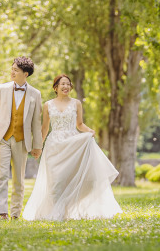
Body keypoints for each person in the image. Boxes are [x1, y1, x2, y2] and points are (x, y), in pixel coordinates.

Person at [22, 74, 121, 221]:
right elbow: (44, 128)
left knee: (70, 178)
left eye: (68, 84)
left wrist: (89, 131)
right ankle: (56, 211)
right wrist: (38, 146)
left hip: (72, 144)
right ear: (56, 87)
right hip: (54, 145)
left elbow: (79, 124)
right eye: (62, 84)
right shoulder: (48, 105)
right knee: (55, 180)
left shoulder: (76, 103)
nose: (66, 86)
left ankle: (66, 210)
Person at [0, 56, 43, 220]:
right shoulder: (1, 88)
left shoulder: (35, 94)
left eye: (16, 70)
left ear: (25, 74)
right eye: (12, 69)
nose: (12, 72)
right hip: (2, 138)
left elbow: (36, 122)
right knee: (3, 175)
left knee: (19, 179)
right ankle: (3, 212)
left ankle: (15, 213)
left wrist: (37, 146)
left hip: (22, 141)